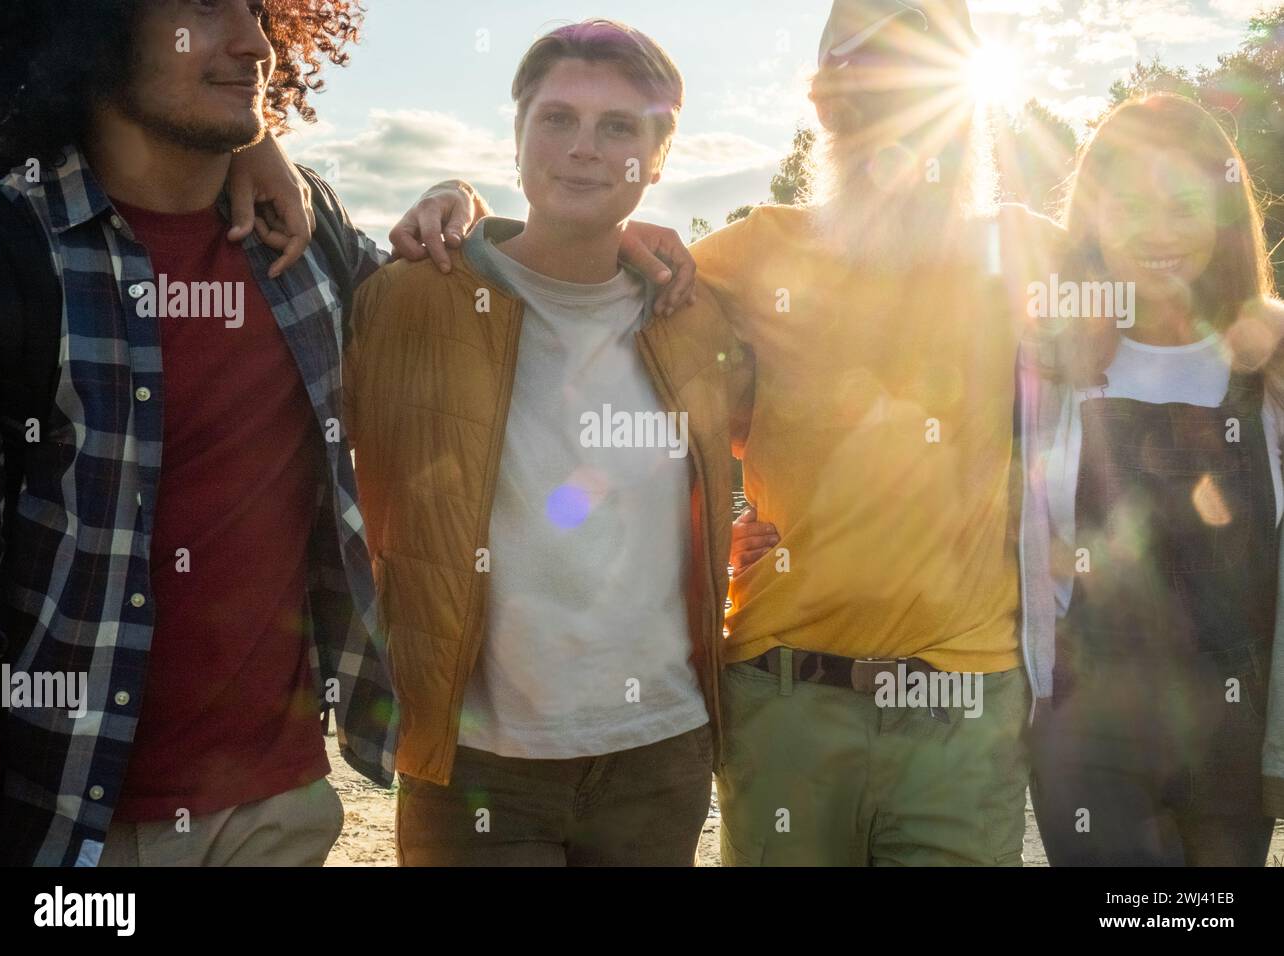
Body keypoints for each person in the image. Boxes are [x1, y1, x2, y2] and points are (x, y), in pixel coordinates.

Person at [402, 0, 1284, 866]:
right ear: (822, 107)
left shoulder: (1030, 253)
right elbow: (581, 260)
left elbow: (1172, 299)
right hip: (787, 701)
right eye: (861, 90)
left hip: (967, 715)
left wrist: (1268, 323)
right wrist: (463, 207)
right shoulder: (752, 253)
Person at [0, 0, 397, 867]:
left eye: (257, 9)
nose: (254, 42)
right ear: (90, 30)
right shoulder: (11, 251)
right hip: (71, 824)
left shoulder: (301, 228)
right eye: (206, 9)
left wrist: (463, 209)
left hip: (279, 806)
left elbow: (450, 313)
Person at [343, 19, 752, 866]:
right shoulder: (407, 301)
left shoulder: (697, 317)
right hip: (477, 762)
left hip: (659, 751)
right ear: (518, 139)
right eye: (557, 119)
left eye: (619, 128)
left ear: (658, 160)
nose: (584, 149)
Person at [1021, 93, 1284, 865]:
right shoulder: (1048, 365)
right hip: (1087, 733)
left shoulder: (1271, 368)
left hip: (1233, 736)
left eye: (1184, 205)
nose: (1161, 232)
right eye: (1131, 204)